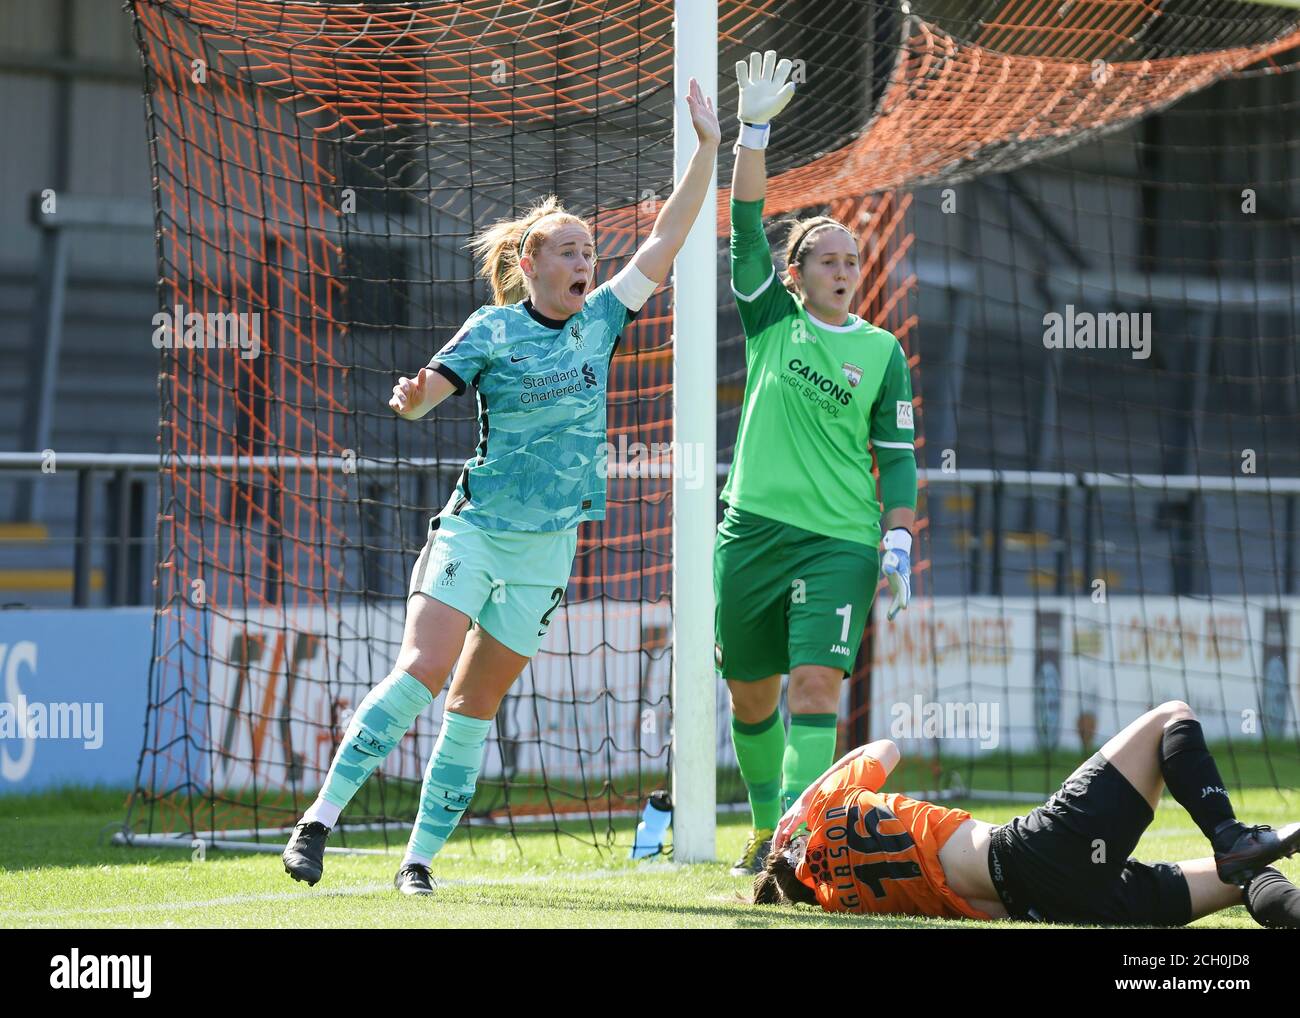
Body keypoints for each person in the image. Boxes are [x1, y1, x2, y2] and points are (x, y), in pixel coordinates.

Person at [281, 80, 721, 895]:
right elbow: (428, 398)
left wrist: (707, 147)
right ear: (530, 265)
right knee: (422, 668)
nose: (586, 259)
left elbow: (670, 232)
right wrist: (412, 401)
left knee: (475, 704)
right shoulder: (493, 328)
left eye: (590, 249)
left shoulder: (606, 318)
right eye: (569, 249)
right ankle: (318, 822)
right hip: (476, 530)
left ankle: (417, 863)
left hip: (549, 546)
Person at [717, 50, 917, 875]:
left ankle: (799, 853)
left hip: (840, 540)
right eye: (829, 260)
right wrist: (752, 132)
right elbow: (745, 217)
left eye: (853, 260)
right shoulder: (770, 320)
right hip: (752, 531)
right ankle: (768, 828)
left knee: (813, 692)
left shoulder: (881, 351)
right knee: (751, 694)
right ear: (794, 276)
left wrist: (898, 540)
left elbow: (897, 461)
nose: (846, 268)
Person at [752, 700, 1300, 928]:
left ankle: (1252, 868)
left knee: (1240, 882)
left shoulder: (837, 901)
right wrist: (801, 803)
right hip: (1032, 852)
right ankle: (1231, 835)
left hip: (1048, 906)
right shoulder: (827, 809)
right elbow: (884, 750)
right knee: (1171, 718)